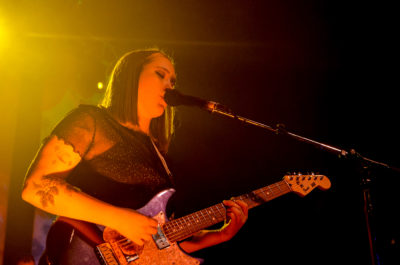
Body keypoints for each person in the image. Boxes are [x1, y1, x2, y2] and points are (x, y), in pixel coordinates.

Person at [21, 48, 248, 264]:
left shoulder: (157, 152)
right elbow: (35, 186)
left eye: (173, 81)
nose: (169, 85)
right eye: (161, 74)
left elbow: (154, 244)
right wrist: (120, 219)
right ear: (131, 76)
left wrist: (217, 236)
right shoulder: (92, 122)